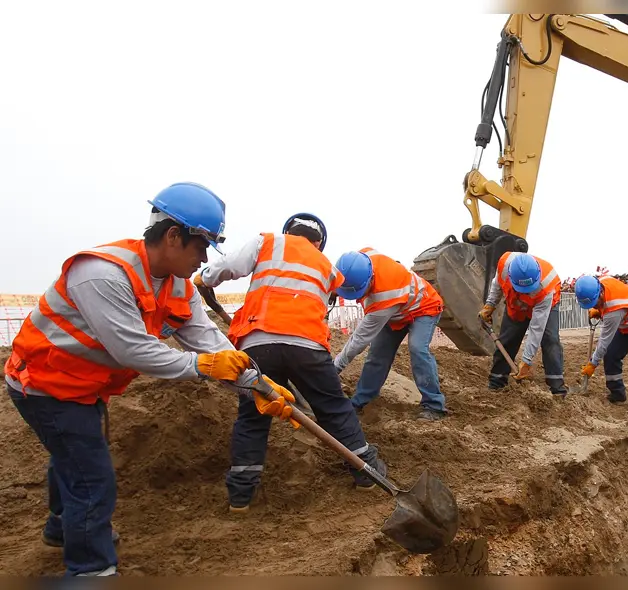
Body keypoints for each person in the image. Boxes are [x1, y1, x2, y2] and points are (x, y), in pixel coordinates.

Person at [3, 183, 299, 577]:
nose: (205, 258)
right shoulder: (102, 273)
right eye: (202, 245)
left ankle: (62, 528)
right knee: (91, 476)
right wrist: (200, 367)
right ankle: (92, 569)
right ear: (173, 236)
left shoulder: (179, 285)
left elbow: (209, 340)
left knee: (75, 458)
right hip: (43, 384)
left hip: (86, 385)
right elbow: (134, 350)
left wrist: (257, 386)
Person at [195, 213, 387, 510]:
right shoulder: (328, 268)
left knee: (252, 416)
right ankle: (367, 475)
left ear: (289, 230)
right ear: (319, 242)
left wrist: (202, 278)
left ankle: (241, 498)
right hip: (308, 347)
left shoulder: (267, 242)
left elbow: (227, 268)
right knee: (334, 408)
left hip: (258, 343)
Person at [332, 248, 448, 421]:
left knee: (417, 349)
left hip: (423, 307)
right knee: (377, 355)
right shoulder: (362, 259)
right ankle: (359, 402)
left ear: (370, 279)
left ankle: (434, 405)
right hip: (396, 312)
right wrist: (335, 289)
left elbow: (359, 340)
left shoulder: (384, 296)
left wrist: (335, 368)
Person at [478, 252, 567, 396]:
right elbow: (497, 284)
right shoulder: (504, 266)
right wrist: (490, 304)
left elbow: (536, 329)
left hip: (546, 306)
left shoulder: (546, 287)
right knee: (507, 339)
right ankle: (497, 382)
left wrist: (526, 361)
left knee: (550, 340)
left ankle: (557, 388)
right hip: (516, 304)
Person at [573, 274, 628, 414]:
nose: (595, 306)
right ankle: (618, 394)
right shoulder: (600, 281)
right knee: (611, 354)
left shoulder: (615, 308)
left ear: (601, 293)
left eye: (595, 302)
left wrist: (593, 363)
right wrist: (599, 309)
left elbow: (604, 341)